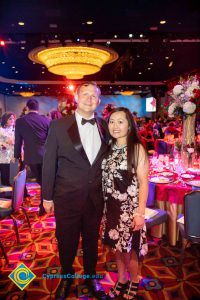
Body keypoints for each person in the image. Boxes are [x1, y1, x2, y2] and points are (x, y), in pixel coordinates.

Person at [42, 82, 109, 300]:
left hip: (95, 198)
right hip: (66, 197)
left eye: (94, 96)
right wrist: (47, 196)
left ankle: (90, 277)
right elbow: (49, 162)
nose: (90, 99)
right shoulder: (58, 126)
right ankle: (66, 276)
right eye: (85, 95)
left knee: (91, 240)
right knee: (66, 240)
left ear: (98, 101)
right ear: (76, 99)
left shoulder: (104, 126)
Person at [101, 107, 149, 300]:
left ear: (129, 125)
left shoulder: (136, 148)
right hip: (110, 208)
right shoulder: (108, 148)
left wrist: (140, 213)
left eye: (121, 121)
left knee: (130, 250)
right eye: (112, 121)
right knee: (117, 249)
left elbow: (144, 183)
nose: (115, 126)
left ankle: (134, 279)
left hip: (129, 210)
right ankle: (121, 279)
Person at [14, 98, 50, 216]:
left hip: (31, 156)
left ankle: (44, 204)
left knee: (41, 180)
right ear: (38, 108)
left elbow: (18, 141)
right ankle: (45, 203)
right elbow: (51, 140)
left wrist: (17, 156)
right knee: (43, 181)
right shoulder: (46, 120)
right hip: (46, 155)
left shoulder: (20, 121)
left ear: (27, 107)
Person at [0, 112, 16, 186]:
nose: (12, 120)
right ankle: (5, 194)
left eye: (13, 118)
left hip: (13, 157)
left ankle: (13, 193)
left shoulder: (15, 130)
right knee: (5, 177)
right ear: (5, 120)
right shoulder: (1, 130)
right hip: (3, 157)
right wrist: (4, 144)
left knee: (14, 176)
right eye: (10, 119)